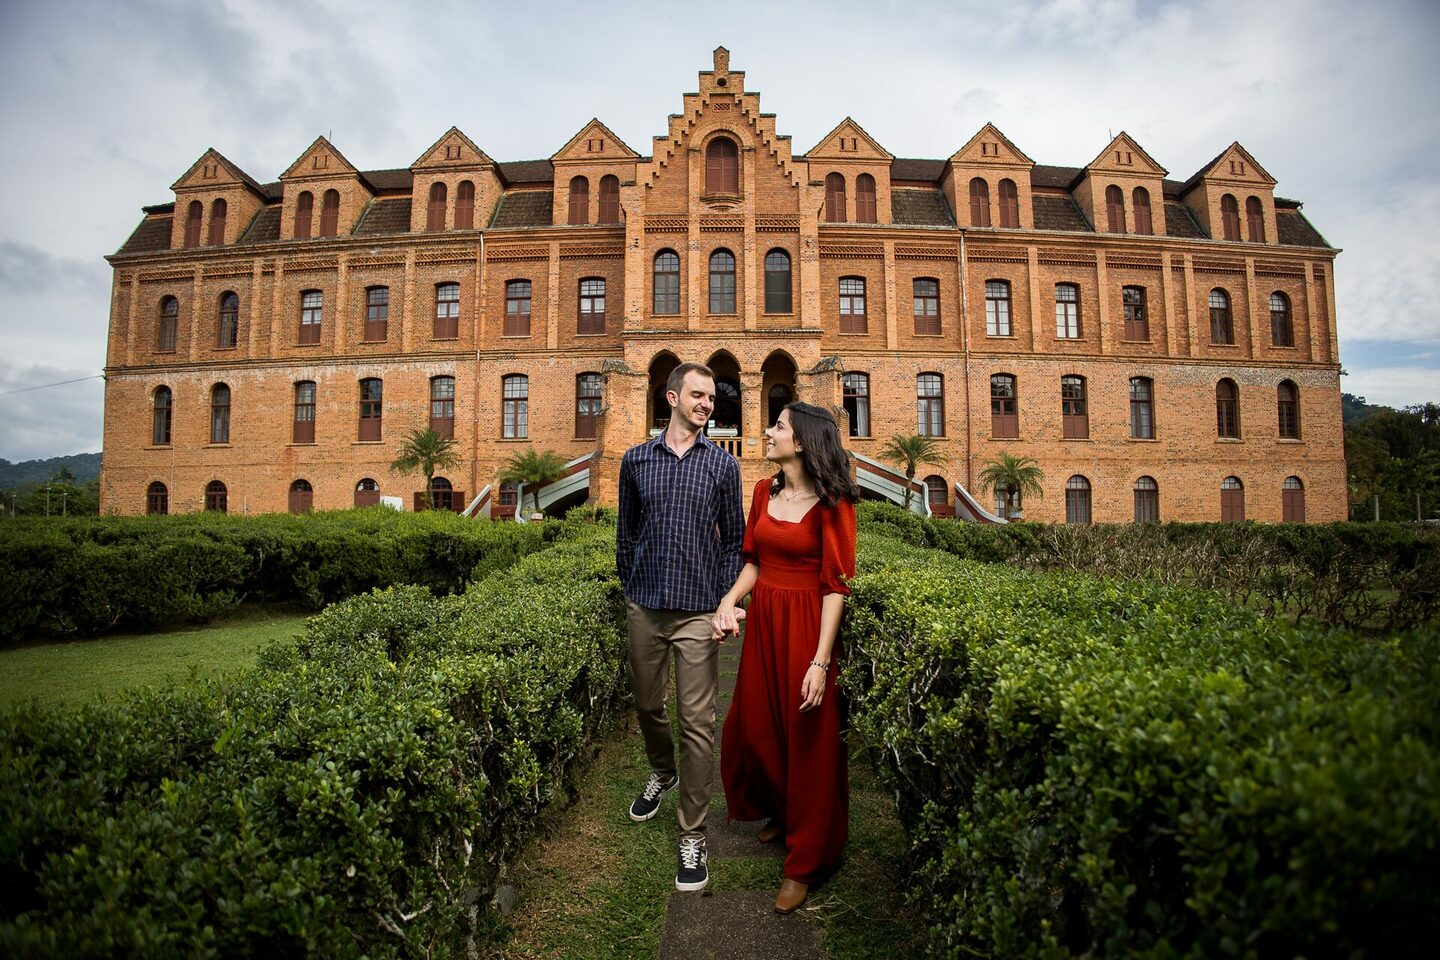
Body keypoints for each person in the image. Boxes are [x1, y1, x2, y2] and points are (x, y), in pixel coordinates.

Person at [712, 401, 859, 914]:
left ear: (802, 442)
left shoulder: (833, 501)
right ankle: (779, 808)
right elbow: (755, 560)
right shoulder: (763, 491)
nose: (768, 432)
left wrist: (821, 661)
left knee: (809, 742)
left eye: (778, 426)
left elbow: (836, 585)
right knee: (755, 727)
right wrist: (730, 599)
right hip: (766, 621)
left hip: (806, 629)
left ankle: (806, 860)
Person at [616, 361, 745, 893]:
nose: (706, 404)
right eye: (697, 395)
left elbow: (735, 542)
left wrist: (723, 603)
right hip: (645, 606)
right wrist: (631, 584)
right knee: (648, 706)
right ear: (670, 398)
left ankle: (692, 833)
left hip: (696, 612)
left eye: (711, 398)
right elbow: (627, 532)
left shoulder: (721, 466)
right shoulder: (635, 461)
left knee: (697, 724)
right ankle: (661, 771)